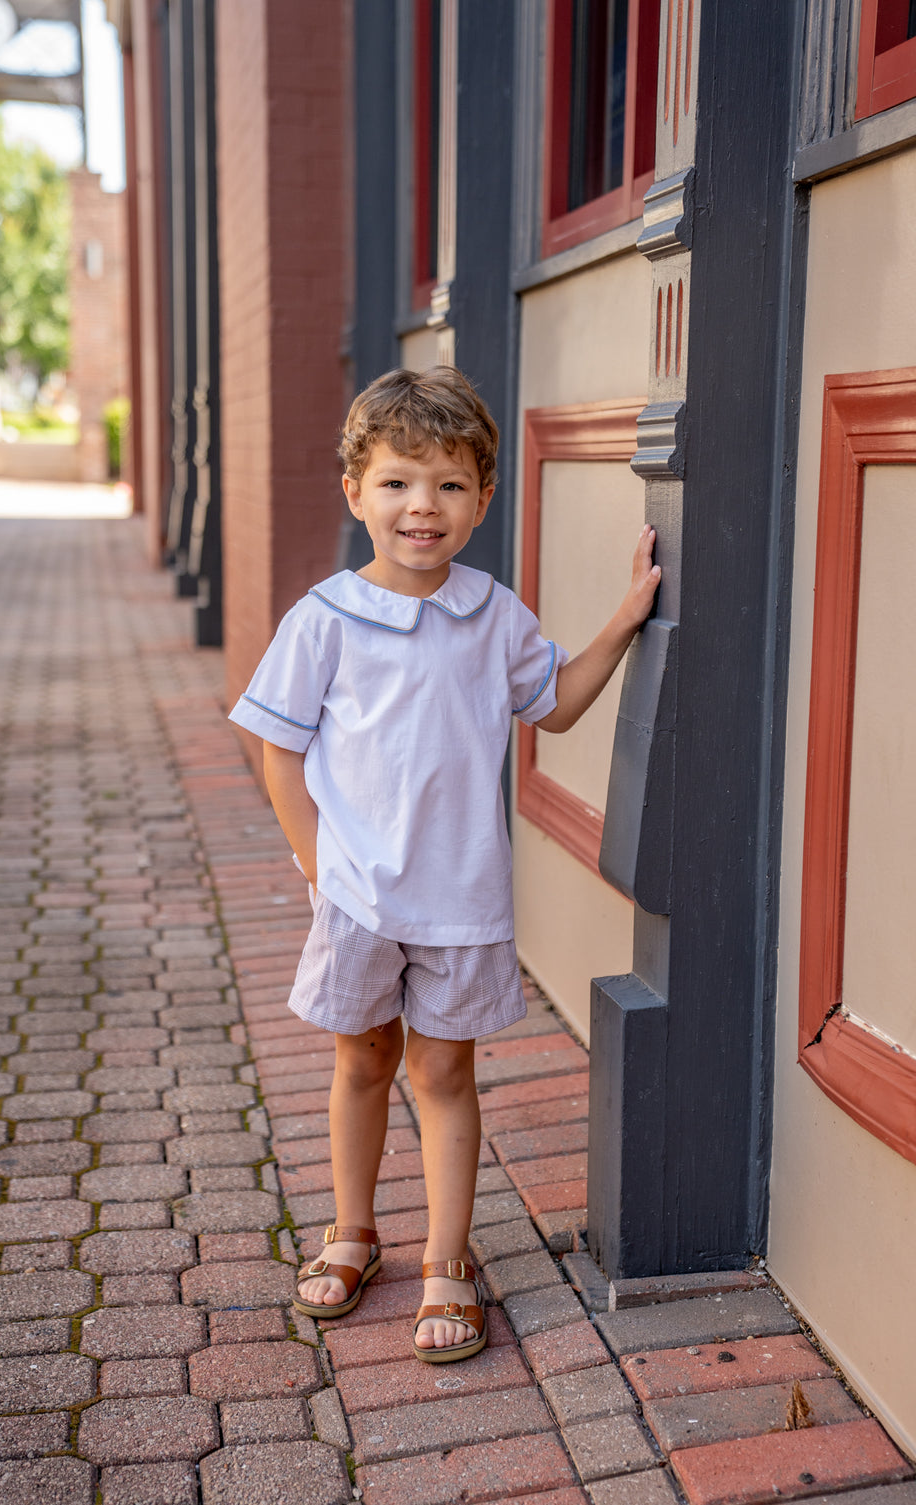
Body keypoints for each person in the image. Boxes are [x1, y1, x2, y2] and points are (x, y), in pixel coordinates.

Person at [229, 367, 659, 1363]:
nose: (423, 506)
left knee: (445, 1072)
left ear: (481, 500)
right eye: (397, 482)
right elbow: (277, 751)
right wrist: (319, 864)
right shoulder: (324, 619)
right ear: (356, 493)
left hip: (461, 899)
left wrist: (627, 620)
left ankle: (448, 1258)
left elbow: (552, 701)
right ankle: (352, 1232)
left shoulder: (492, 614)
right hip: (357, 898)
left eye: (449, 486)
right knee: (362, 1060)